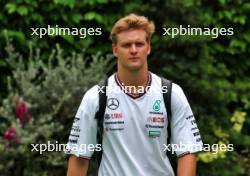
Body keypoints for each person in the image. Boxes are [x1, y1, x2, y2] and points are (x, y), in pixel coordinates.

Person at [66, 13, 203, 176]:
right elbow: (79, 157)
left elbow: (187, 153)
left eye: (139, 44)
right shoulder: (96, 96)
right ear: (115, 49)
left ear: (148, 47)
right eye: (126, 45)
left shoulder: (171, 93)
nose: (133, 50)